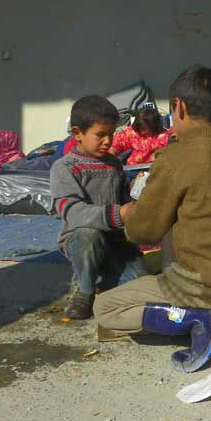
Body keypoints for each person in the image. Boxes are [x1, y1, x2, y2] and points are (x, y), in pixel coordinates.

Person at [94, 65, 211, 373]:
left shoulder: (176, 157)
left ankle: (201, 320)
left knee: (106, 309)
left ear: (179, 107)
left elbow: (143, 231)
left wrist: (133, 210)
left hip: (204, 286)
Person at [50, 96, 138, 319]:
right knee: (89, 234)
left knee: (141, 286)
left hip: (115, 240)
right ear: (77, 133)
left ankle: (103, 278)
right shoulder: (64, 167)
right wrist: (119, 214)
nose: (108, 141)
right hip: (80, 239)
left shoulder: (114, 164)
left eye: (112, 134)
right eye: (100, 135)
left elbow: (123, 200)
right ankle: (84, 288)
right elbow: (72, 212)